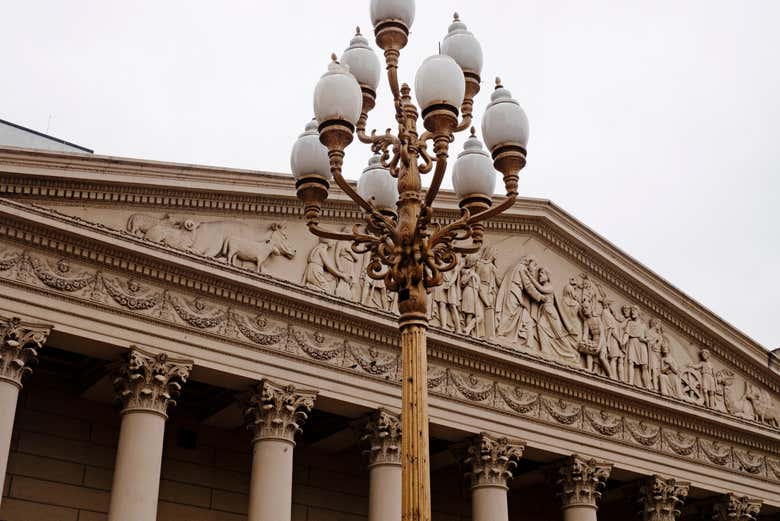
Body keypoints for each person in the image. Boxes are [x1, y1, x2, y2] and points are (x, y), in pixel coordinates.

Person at [622, 306, 650, 389]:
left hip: (641, 345)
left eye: (634, 311)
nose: (632, 313)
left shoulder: (643, 325)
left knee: (644, 366)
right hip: (632, 343)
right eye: (631, 311)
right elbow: (626, 334)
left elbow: (648, 338)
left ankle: (647, 386)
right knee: (631, 362)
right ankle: (630, 382)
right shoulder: (630, 324)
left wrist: (644, 340)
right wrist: (623, 342)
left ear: (638, 313)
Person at [476, 247, 500, 339]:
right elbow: (476, 277)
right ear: (491, 252)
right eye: (496, 252)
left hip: (490, 291)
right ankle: (479, 334)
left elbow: (500, 283)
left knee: (490, 312)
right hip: (481, 288)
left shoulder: (493, 267)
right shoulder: (481, 264)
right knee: (480, 312)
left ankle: (489, 334)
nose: (497, 254)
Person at [601, 300, 626, 382]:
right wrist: (619, 341)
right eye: (612, 305)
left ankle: (621, 379)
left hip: (614, 338)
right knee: (614, 358)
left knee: (619, 359)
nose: (614, 307)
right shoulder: (605, 313)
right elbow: (611, 329)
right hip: (612, 338)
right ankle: (614, 377)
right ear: (608, 305)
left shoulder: (610, 314)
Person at [460, 254, 483, 337]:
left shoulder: (476, 274)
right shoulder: (468, 271)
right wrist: (470, 275)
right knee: (469, 314)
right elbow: (462, 282)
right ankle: (469, 332)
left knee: (480, 316)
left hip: (475, 293)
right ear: (474, 262)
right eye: (478, 261)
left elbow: (480, 288)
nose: (479, 263)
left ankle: (468, 329)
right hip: (469, 291)